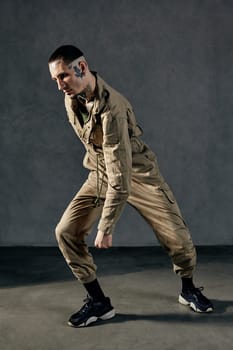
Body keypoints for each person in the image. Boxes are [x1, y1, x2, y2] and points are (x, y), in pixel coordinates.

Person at [48, 45, 213, 327]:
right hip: (101, 174)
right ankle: (99, 302)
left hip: (137, 175)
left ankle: (188, 288)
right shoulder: (72, 99)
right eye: (55, 80)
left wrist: (106, 226)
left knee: (179, 240)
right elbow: (104, 161)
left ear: (82, 68)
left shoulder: (113, 107)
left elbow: (122, 177)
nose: (60, 84)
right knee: (65, 232)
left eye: (64, 75)